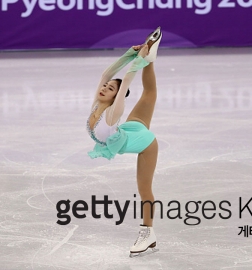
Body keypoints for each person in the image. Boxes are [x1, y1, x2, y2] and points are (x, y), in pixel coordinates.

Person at [86, 27, 162, 257]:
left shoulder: (112, 113)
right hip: (133, 127)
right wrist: (131, 53)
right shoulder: (96, 105)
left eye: (109, 89)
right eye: (105, 87)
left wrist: (136, 62)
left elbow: (126, 80)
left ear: (114, 97)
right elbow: (106, 74)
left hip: (144, 143)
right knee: (149, 93)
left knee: (144, 188)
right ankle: (151, 57)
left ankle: (148, 232)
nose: (104, 88)